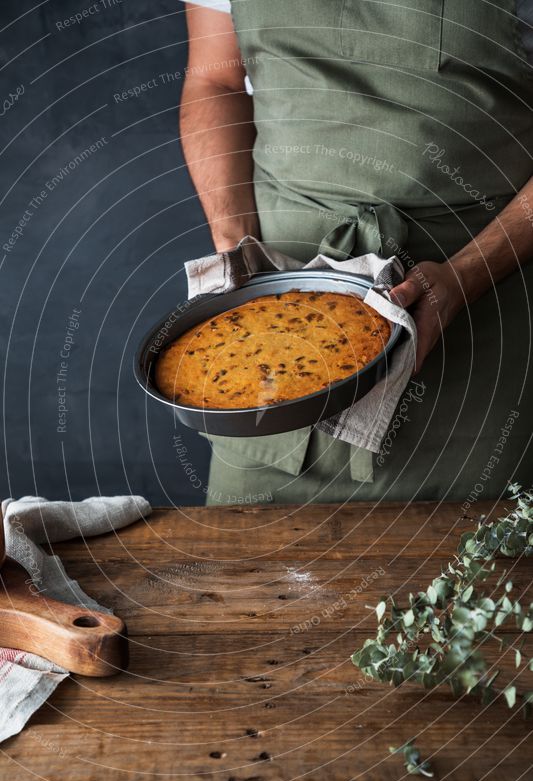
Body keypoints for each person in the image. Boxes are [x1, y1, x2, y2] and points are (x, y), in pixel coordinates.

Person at [180, 1, 533, 505]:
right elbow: (215, 81)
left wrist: (465, 276)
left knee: (482, 573)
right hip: (272, 332)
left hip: (481, 327)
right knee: (242, 574)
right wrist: (236, 247)